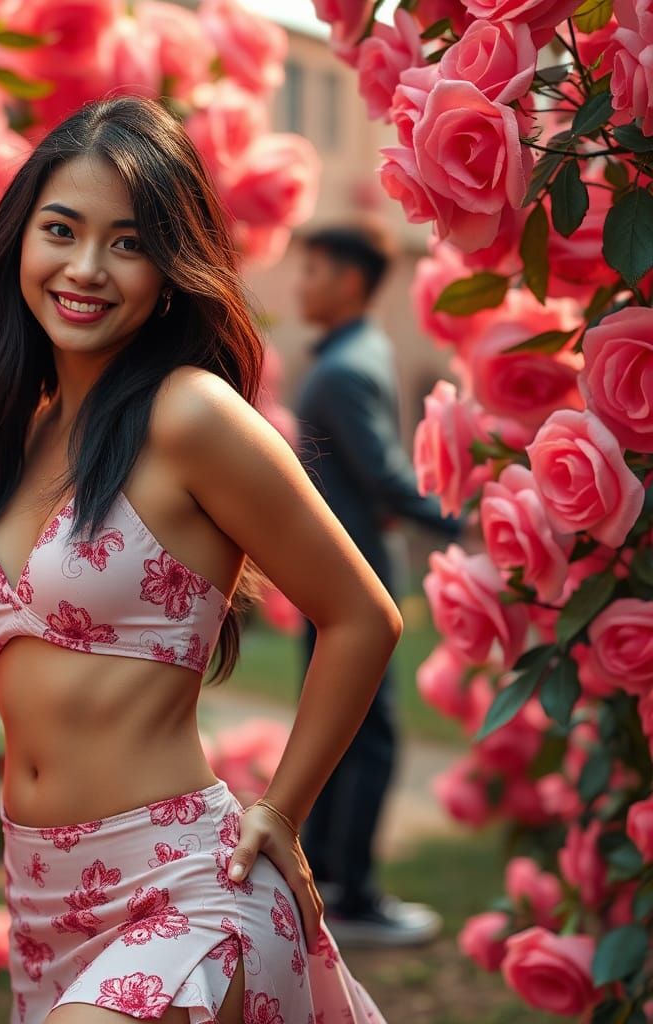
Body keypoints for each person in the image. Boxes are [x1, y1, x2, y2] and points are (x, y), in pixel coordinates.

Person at [0, 96, 401, 1024]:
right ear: (21, 240)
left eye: (129, 243)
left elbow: (362, 616)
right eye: (60, 230)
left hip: (185, 889)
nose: (86, 268)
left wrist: (286, 808)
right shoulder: (26, 430)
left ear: (172, 268)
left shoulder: (191, 415)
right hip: (42, 905)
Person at [293, 225, 461, 948]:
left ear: (352, 283)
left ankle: (339, 880)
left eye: (315, 271)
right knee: (364, 736)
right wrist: (467, 521)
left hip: (343, 580)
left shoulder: (344, 368)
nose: (301, 284)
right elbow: (388, 479)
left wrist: (466, 521)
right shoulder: (357, 360)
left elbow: (386, 478)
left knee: (350, 733)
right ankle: (347, 888)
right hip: (343, 581)